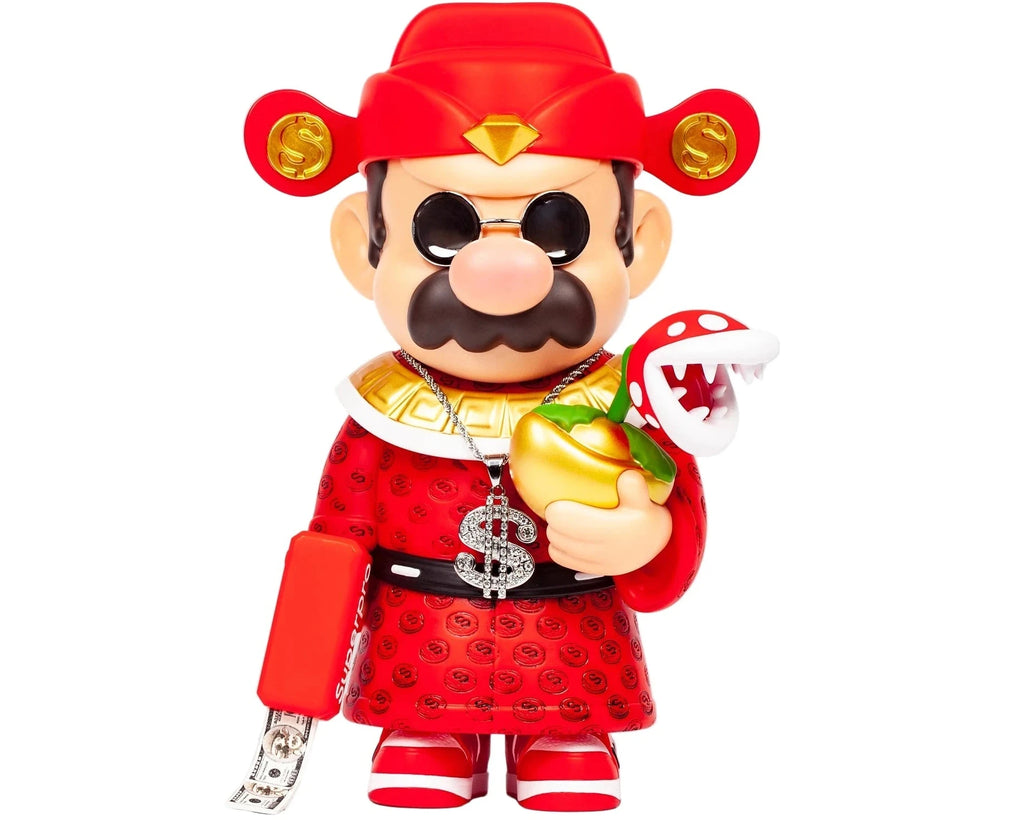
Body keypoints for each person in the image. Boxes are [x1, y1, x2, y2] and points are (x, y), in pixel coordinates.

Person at [241, 3, 760, 811]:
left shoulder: (630, 398)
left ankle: (563, 740)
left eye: (557, 227)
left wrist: (647, 536)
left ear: (640, 243)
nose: (501, 274)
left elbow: (676, 505)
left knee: (569, 742)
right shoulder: (379, 412)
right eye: (445, 230)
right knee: (419, 746)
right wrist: (297, 689)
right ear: (362, 246)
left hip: (572, 644)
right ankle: (429, 734)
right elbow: (336, 541)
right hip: (423, 648)